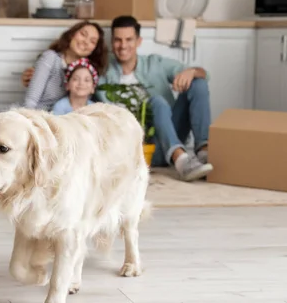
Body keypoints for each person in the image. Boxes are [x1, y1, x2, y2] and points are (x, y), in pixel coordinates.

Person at [21, 15, 213, 182]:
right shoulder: (101, 70)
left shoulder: (156, 64)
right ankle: (181, 160)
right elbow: (75, 80)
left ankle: (202, 152)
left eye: (129, 40)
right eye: (118, 40)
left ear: (138, 41)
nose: (123, 46)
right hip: (130, 145)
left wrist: (192, 71)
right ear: (111, 43)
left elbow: (204, 74)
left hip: (165, 133)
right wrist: (38, 74)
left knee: (192, 86)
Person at [23, 20, 108, 111]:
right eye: (83, 34)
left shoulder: (90, 72)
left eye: (92, 41)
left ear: (94, 49)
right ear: (72, 34)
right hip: (38, 117)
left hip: (67, 121)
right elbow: (30, 101)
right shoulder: (50, 58)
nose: (86, 42)